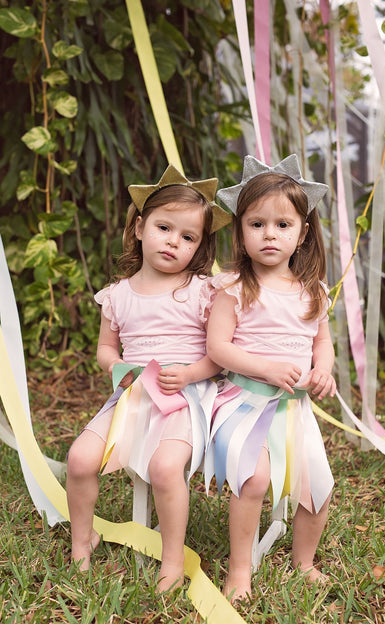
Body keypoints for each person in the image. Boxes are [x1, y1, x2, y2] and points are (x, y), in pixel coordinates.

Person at [66, 164, 230, 591]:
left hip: (185, 397)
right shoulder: (119, 293)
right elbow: (106, 348)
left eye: (188, 237)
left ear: (199, 247)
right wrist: (115, 369)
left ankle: (172, 561)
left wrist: (191, 372)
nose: (174, 241)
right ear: (139, 228)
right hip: (133, 395)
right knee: (80, 459)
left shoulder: (200, 291)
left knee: (163, 466)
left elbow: (219, 355)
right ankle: (82, 542)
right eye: (163, 227)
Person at [205, 154, 336, 602]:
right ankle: (240, 569)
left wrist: (324, 370)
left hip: (294, 410)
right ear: (241, 231)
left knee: (318, 488)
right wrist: (267, 368)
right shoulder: (234, 287)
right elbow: (218, 348)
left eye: (283, 225)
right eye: (256, 224)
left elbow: (322, 341)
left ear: (302, 233)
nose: (269, 235)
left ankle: (304, 562)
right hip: (243, 402)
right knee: (253, 479)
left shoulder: (312, 289)